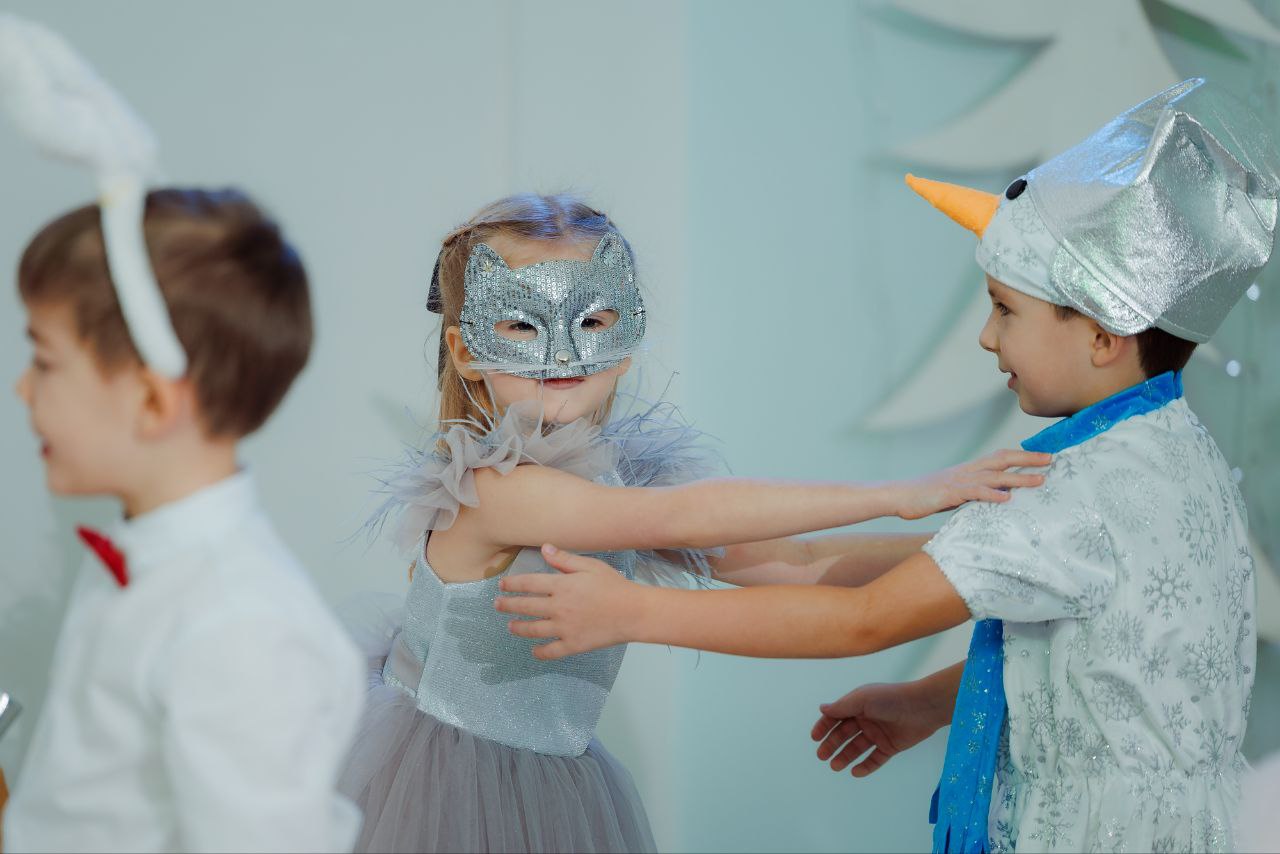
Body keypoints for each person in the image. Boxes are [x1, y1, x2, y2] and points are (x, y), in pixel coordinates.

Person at [496, 78, 1275, 853]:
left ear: (1104, 337)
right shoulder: (1177, 456)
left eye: (1006, 309)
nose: (987, 336)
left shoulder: (1070, 492)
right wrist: (931, 701)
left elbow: (865, 618)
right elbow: (1100, 661)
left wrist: (633, 611)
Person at [338, 192, 1046, 852]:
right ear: (467, 350)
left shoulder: (615, 480)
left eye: (592, 320)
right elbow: (677, 516)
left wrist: (974, 543)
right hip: (455, 793)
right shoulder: (492, 490)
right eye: (522, 324)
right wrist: (899, 492)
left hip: (557, 783)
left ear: (627, 334)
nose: (564, 351)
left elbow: (799, 561)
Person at [0, 16, 363, 852]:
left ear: (152, 401)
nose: (21, 388)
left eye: (44, 361)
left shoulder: (238, 629)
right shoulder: (144, 563)